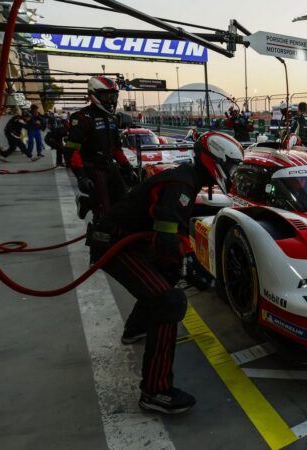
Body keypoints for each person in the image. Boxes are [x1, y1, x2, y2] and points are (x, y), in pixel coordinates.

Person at [87, 131, 243, 414]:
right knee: (169, 301)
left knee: (165, 278)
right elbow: (168, 232)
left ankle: (135, 329)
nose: (231, 172)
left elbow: (168, 228)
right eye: (230, 166)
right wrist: (191, 265)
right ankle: (155, 391)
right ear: (215, 160)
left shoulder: (188, 178)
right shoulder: (182, 183)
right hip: (115, 245)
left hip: (123, 239)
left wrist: (182, 264)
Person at [66, 76, 137, 220]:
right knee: (104, 211)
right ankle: (99, 236)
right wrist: (80, 176)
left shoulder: (112, 119)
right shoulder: (82, 118)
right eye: (107, 96)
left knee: (125, 203)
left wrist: (128, 168)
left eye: (113, 96)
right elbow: (72, 150)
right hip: (93, 168)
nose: (111, 101)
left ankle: (88, 202)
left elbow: (116, 148)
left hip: (110, 166)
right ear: (94, 95)